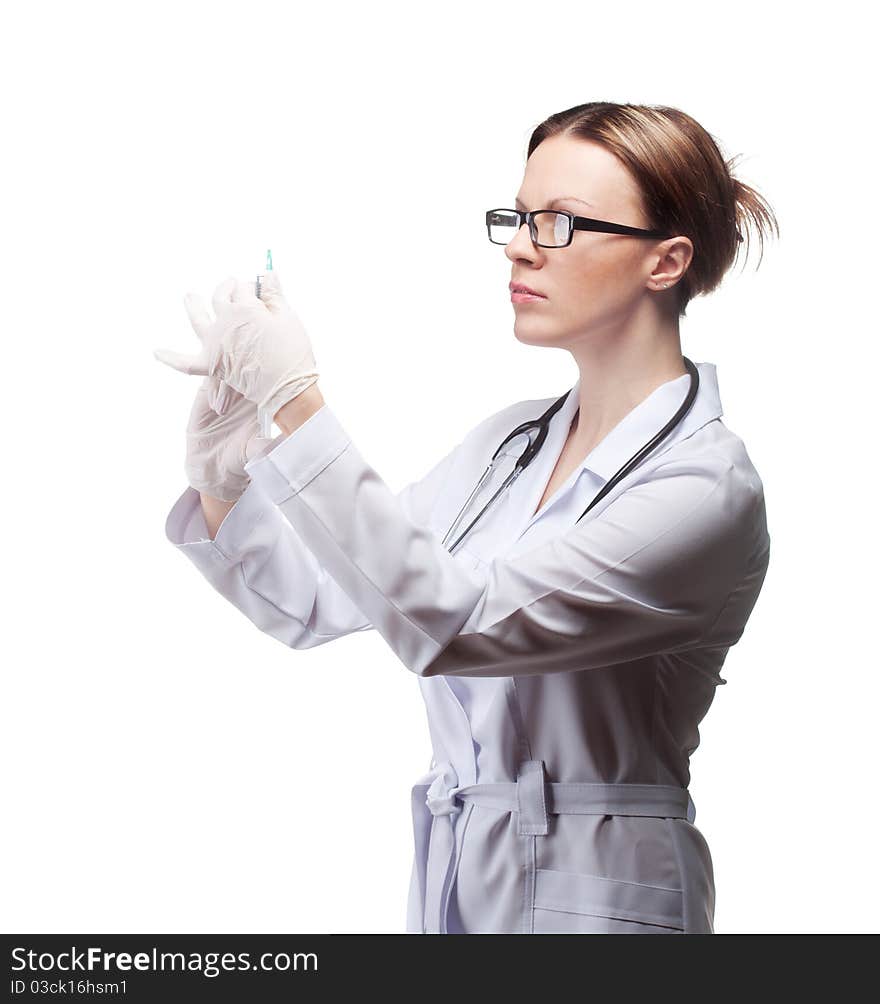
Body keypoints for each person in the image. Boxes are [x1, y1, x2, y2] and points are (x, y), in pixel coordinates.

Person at [155, 101, 777, 934]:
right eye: (519, 217)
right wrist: (224, 476)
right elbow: (314, 600)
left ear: (665, 262)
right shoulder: (510, 442)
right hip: (461, 870)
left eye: (558, 222)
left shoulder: (705, 488)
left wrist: (299, 405)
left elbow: (457, 629)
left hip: (602, 890)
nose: (520, 245)